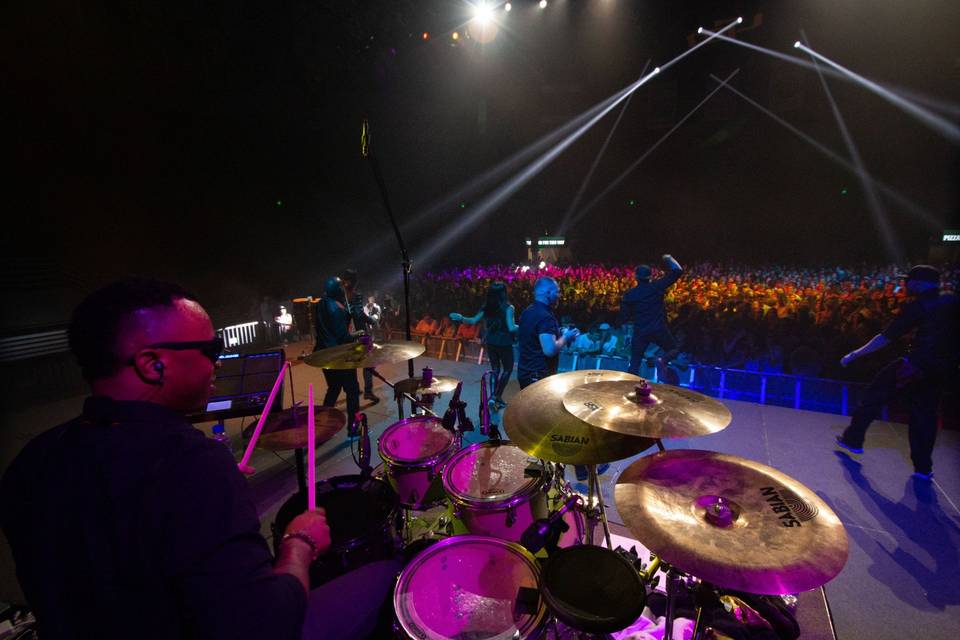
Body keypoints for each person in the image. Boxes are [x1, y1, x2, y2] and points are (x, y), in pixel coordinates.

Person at [0, 278, 400, 639]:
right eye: (211, 350)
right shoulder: (189, 463)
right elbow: (265, 625)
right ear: (153, 364)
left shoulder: (32, 460)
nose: (218, 363)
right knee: (386, 575)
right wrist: (299, 542)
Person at [835, 265, 959, 480]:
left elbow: (886, 337)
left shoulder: (920, 305)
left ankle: (853, 440)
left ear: (919, 282)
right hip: (941, 370)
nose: (905, 285)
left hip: (914, 366)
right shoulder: (952, 301)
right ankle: (923, 468)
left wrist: (855, 354)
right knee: (925, 416)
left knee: (874, 394)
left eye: (908, 281)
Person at [450, 281, 518, 408]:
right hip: (504, 342)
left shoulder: (486, 307)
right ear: (504, 293)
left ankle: (493, 396)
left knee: (495, 369)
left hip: (491, 342)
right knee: (507, 369)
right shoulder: (509, 308)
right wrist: (522, 326)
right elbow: (511, 327)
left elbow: (473, 320)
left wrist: (460, 318)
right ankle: (497, 396)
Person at [621, 255, 684, 377]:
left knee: (635, 362)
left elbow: (624, 319)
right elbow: (678, 270)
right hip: (658, 329)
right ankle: (662, 360)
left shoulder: (629, 295)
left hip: (640, 332)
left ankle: (628, 386)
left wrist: (627, 335)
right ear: (650, 276)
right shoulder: (657, 286)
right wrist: (668, 258)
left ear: (636, 277)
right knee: (674, 350)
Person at [315, 276, 362, 429]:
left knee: (334, 388)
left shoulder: (321, 304)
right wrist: (358, 334)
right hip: (340, 356)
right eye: (341, 287)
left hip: (324, 355)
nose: (343, 289)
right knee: (352, 391)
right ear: (336, 289)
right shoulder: (338, 310)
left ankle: (322, 424)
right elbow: (343, 337)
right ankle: (353, 428)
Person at [516, 276, 579, 390]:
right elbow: (549, 350)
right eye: (557, 292)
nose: (559, 295)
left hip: (525, 371)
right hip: (538, 375)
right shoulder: (545, 316)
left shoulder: (528, 311)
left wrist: (560, 331)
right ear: (548, 293)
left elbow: (536, 334)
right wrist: (566, 337)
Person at [338, 269, 379, 404]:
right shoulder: (355, 295)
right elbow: (359, 315)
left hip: (345, 334)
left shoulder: (339, 296)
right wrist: (373, 320)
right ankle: (368, 391)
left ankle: (354, 389)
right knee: (368, 363)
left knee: (352, 363)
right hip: (360, 333)